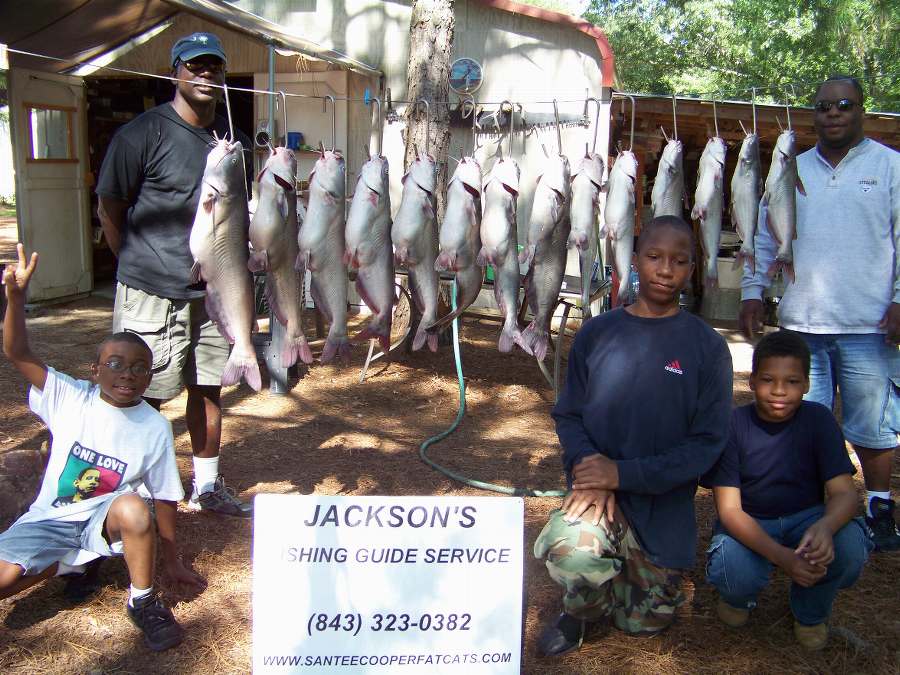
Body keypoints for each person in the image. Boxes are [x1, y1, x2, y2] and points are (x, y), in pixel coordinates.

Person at [534, 216, 733, 656]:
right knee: (576, 555)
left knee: (642, 625)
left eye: (680, 261)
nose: (666, 270)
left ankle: (625, 583)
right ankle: (578, 613)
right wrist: (591, 474)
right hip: (597, 499)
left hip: (662, 514)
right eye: (655, 257)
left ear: (693, 268)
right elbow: (568, 416)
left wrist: (619, 475)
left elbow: (707, 443)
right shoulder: (597, 333)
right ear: (636, 259)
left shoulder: (707, 348)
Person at [0, 244, 206, 651]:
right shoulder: (71, 396)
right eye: (114, 363)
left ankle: (142, 600)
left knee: (131, 504)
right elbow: (17, 352)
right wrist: (16, 298)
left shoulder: (154, 427)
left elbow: (164, 497)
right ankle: (70, 564)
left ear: (150, 378)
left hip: (104, 521)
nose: (126, 374)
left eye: (138, 367)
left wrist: (173, 560)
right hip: (52, 519)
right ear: (94, 370)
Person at [740, 75, 899, 551]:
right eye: (824, 106)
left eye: (844, 105)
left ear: (861, 111)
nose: (833, 113)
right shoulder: (790, 166)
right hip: (801, 322)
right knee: (801, 424)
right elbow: (767, 234)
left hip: (867, 324)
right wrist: (752, 288)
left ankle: (878, 504)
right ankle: (807, 505)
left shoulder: (890, 166)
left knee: (874, 425)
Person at [96, 32, 252, 517]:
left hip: (213, 295)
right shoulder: (141, 134)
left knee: (208, 388)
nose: (206, 75)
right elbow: (110, 206)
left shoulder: (233, 145)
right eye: (195, 66)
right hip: (150, 292)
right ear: (175, 73)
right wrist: (135, 266)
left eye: (215, 68)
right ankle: (136, 492)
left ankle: (206, 485)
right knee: (142, 394)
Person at [704, 330, 871, 651]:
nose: (779, 391)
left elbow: (845, 493)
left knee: (848, 545)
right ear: (751, 381)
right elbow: (729, 510)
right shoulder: (733, 425)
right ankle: (739, 598)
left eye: (792, 381)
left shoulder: (818, 420)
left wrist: (824, 527)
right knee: (733, 568)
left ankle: (811, 611)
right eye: (768, 379)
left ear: (807, 384)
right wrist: (782, 558)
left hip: (806, 520)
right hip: (750, 521)